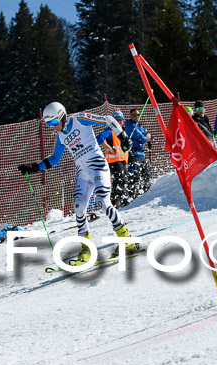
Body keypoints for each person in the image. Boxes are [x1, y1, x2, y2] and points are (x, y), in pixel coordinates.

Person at [17, 102, 138, 262]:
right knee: (79, 207)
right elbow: (54, 159)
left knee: (103, 202)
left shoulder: (80, 119)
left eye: (53, 122)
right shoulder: (61, 136)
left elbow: (108, 119)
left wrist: (123, 137)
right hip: (83, 173)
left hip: (98, 166)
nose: (52, 127)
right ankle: (86, 248)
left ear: (62, 116)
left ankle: (126, 240)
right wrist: (33, 167)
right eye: (48, 124)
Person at [96, 109, 130, 208]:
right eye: (117, 120)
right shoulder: (110, 130)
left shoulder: (122, 132)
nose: (119, 122)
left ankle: (119, 203)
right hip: (115, 162)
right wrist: (108, 148)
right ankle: (120, 203)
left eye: (121, 120)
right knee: (120, 182)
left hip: (122, 162)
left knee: (121, 182)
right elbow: (99, 138)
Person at [125, 108, 153, 198]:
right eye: (134, 115)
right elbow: (143, 138)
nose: (137, 116)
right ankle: (129, 197)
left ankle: (142, 195)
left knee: (147, 176)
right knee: (134, 178)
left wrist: (148, 135)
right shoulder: (129, 125)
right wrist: (146, 136)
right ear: (130, 116)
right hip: (134, 155)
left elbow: (150, 136)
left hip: (142, 155)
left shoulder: (139, 125)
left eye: (138, 115)